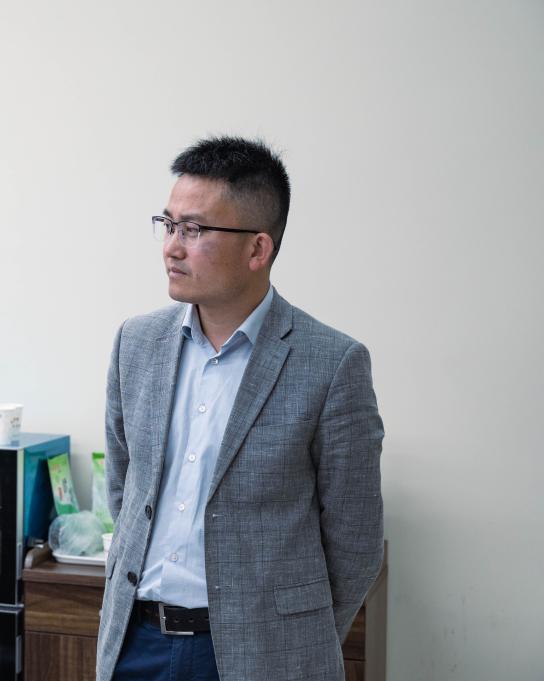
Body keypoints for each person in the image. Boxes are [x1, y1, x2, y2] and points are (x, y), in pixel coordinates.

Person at [97, 137, 384, 681]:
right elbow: (126, 490)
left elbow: (356, 542)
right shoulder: (135, 344)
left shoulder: (332, 363)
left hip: (265, 656)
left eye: (194, 229)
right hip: (137, 644)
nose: (172, 247)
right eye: (168, 224)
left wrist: (294, 635)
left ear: (258, 249)